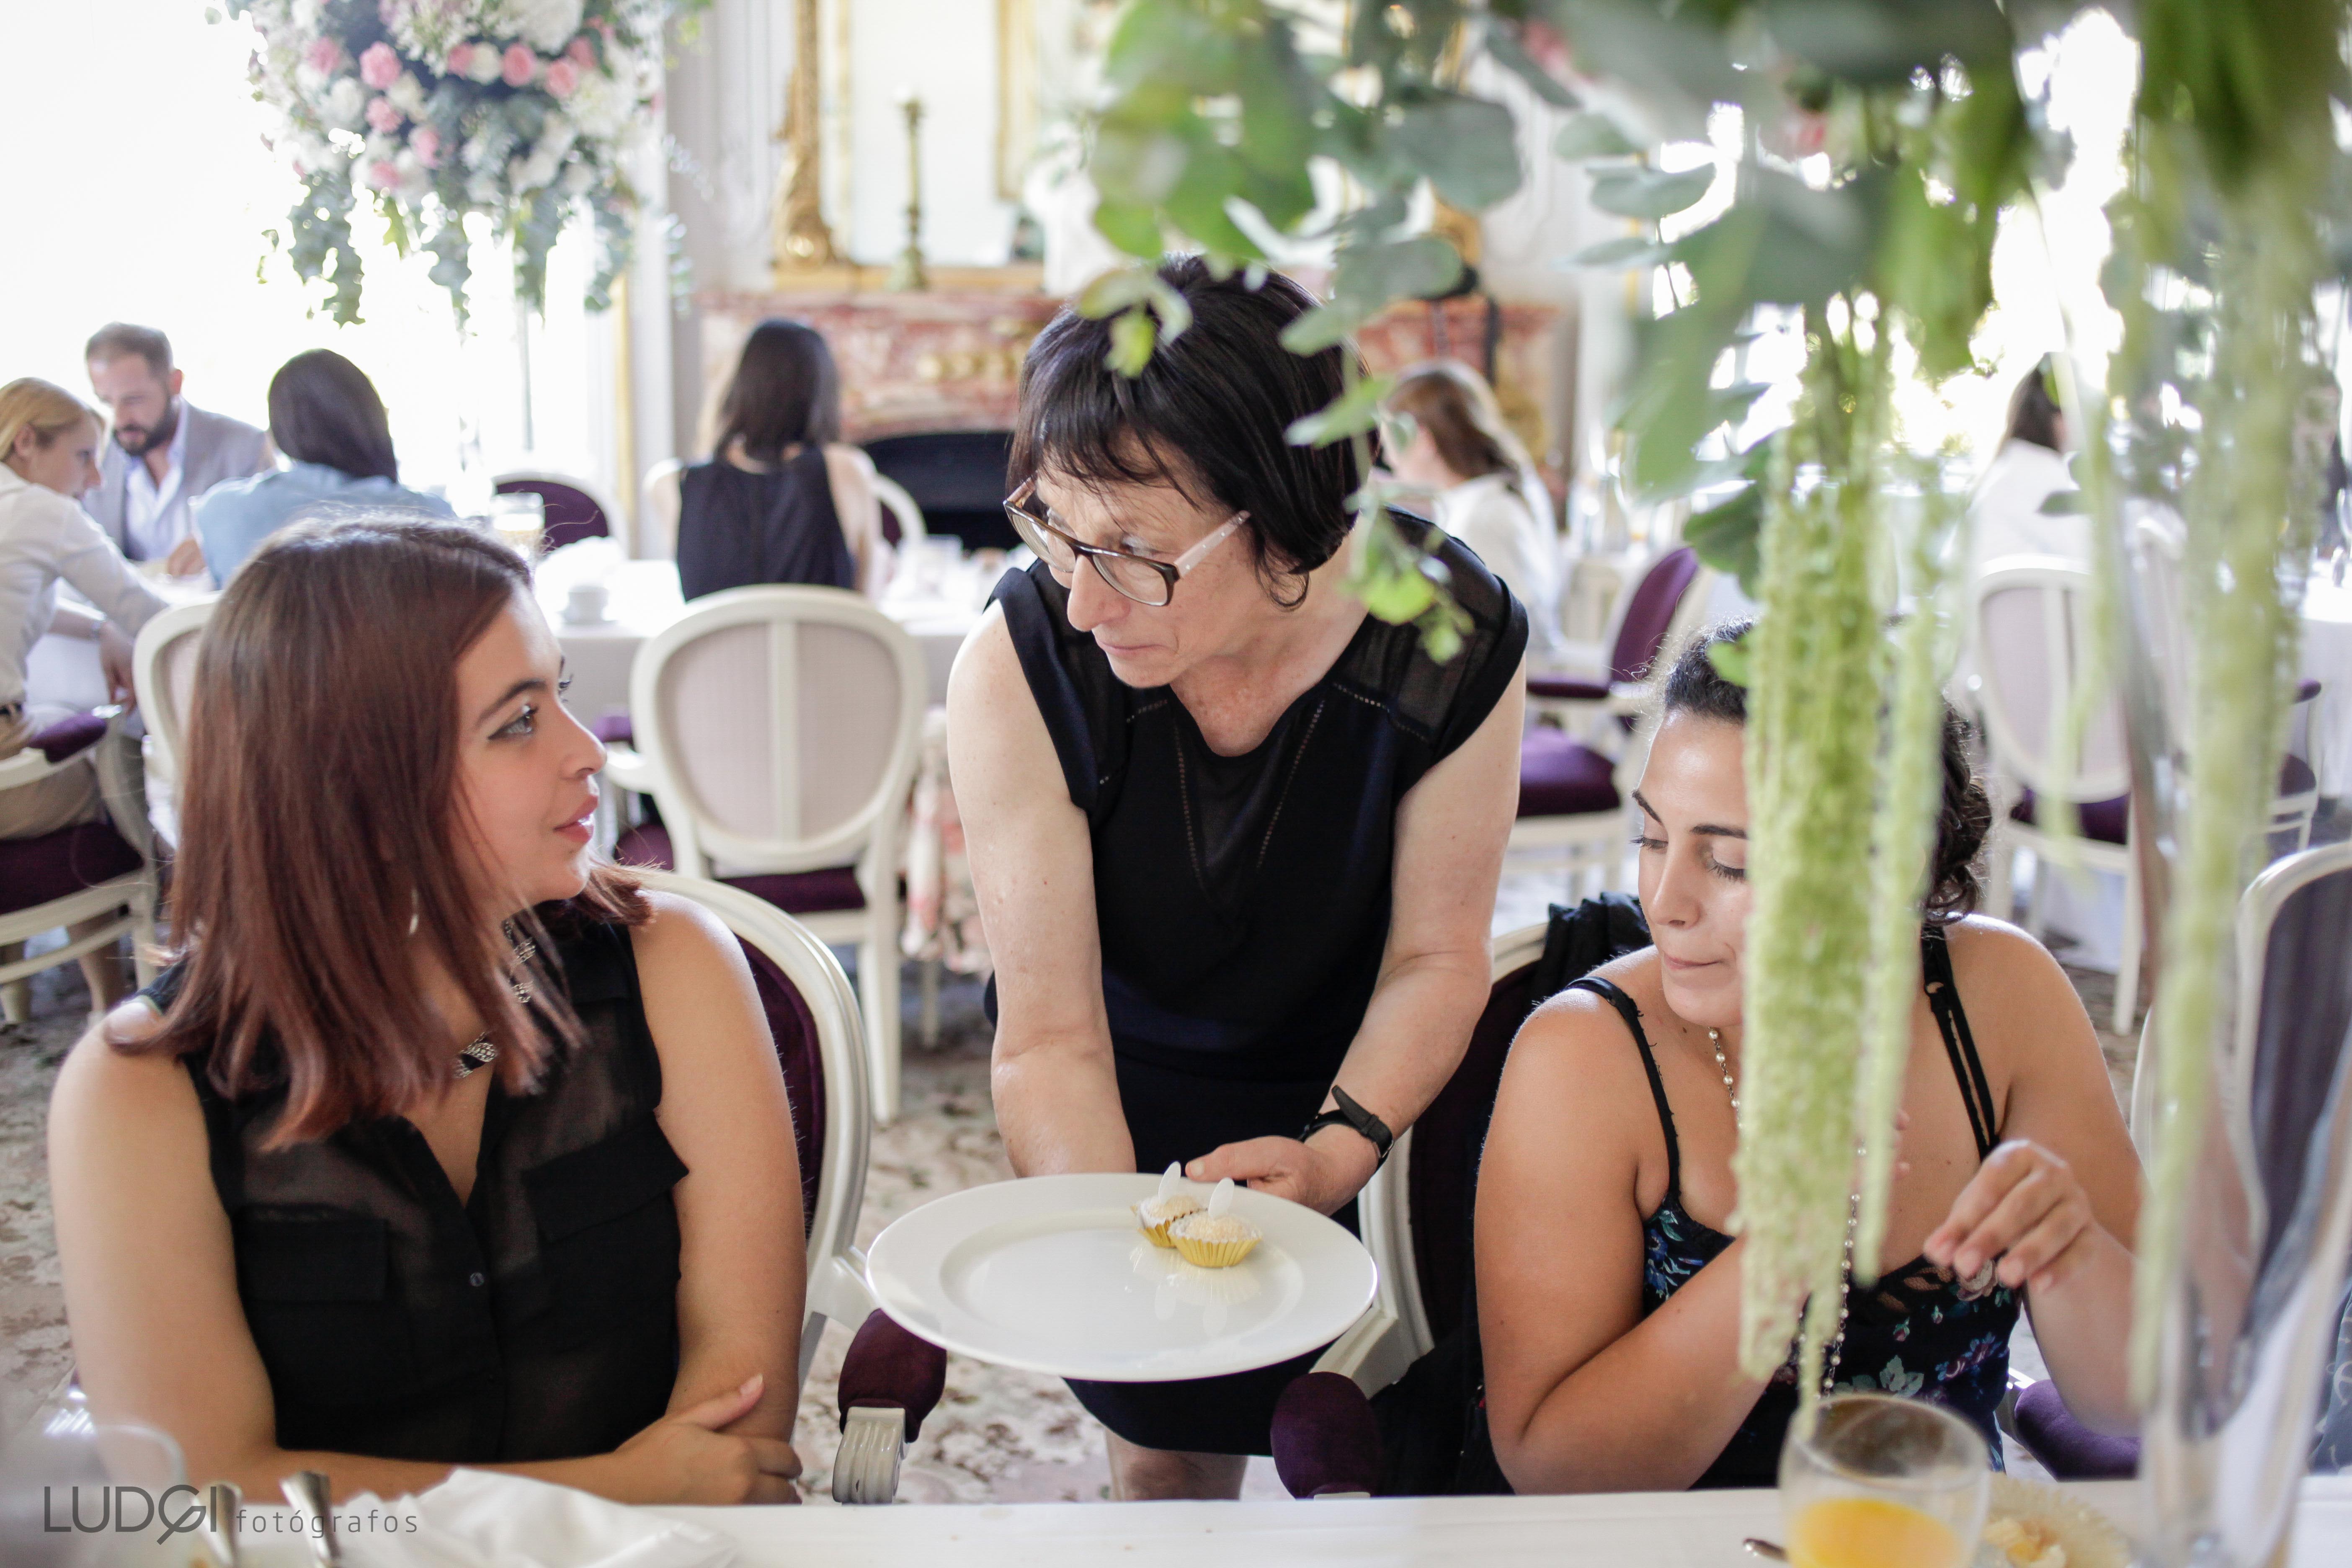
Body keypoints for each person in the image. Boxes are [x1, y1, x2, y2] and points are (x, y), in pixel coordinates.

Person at [49, 516, 808, 1506]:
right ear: (354, 788)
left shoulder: (673, 968)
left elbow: (738, 1419)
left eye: (560, 695)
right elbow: (212, 1489)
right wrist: (606, 1490)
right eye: (516, 722)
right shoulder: (139, 1091)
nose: (590, 753)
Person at [949, 258, 1528, 1498]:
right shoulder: (1024, 659)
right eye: (1056, 529)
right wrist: (1124, 1247)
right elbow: (1050, 1037)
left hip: (1373, 1081)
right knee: (1167, 1461)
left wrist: (1332, 1155)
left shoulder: (1445, 636)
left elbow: (1438, 958)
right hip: (1113, 1091)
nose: (1089, 604)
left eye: (1136, 555)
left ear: (1287, 516)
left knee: (1400, 1453)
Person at [1476, 622, 2142, 1493]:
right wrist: (1783, 1253)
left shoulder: (2005, 998)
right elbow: (1551, 1467)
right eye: (1652, 839)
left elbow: (2132, 1405)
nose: (1665, 902)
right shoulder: (1584, 1059)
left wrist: (2072, 1257)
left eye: (1729, 863)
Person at [0, 379, 166, 1010]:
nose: (95, 478)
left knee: (65, 723)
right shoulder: (39, 511)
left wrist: (100, 628)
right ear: (25, 443)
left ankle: (34, 994)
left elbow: (33, 589)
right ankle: (120, 994)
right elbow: (145, 609)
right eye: (82, 456)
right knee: (118, 764)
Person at [193, 349, 453, 582]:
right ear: (371, 419)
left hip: (270, 637)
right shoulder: (431, 516)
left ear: (281, 429)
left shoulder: (220, 511)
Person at [676, 319, 889, 601]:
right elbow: (868, 601)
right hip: (826, 647)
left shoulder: (672, 483)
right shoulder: (847, 468)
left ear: (738, 385)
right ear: (822, 389)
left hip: (721, 648)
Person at [1385, 361, 1563, 666]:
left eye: (1389, 439)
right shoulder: (1494, 494)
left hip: (1512, 685)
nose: (1388, 458)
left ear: (1424, 442)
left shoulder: (1483, 518)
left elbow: (1504, 634)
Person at [83, 323, 271, 576]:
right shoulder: (95, 457)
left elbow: (275, 552)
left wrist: (220, 545)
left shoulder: (244, 448)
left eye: (134, 400)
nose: (119, 420)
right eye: (107, 402)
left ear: (175, 383)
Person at [1968, 356, 2086, 577]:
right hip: (2018, 606)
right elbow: (2088, 557)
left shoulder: (2012, 466)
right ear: (2056, 418)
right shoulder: (2040, 473)